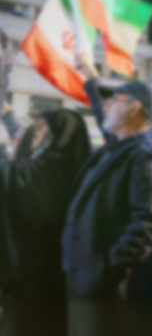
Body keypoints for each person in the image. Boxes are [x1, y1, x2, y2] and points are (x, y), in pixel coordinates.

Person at [62, 78, 152, 336]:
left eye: (114, 101)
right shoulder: (117, 151)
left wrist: (104, 272)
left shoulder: (146, 154)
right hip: (95, 290)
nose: (105, 107)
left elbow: (148, 223)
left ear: (134, 108)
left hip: (117, 297)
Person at [0, 108, 90, 336]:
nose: (34, 137)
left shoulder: (40, 172)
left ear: (55, 135)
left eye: (40, 130)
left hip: (31, 283)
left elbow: (11, 173)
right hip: (63, 283)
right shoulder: (83, 173)